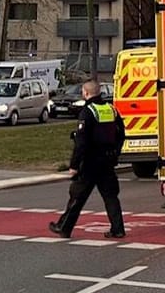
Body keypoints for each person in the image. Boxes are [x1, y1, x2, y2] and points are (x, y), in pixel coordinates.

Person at [51, 78, 125, 239]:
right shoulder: (111, 109)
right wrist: (115, 153)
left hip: (90, 163)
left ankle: (64, 228)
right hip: (107, 161)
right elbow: (121, 134)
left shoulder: (88, 112)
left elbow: (81, 143)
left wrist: (74, 165)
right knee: (111, 196)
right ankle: (118, 229)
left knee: (77, 196)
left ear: (85, 93)